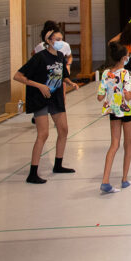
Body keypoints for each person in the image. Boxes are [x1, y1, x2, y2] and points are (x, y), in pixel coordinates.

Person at [14, 27, 79, 184]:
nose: (60, 42)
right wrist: (39, 86)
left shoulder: (61, 56)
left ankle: (58, 165)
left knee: (63, 129)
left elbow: (62, 75)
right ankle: (33, 173)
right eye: (56, 39)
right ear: (48, 41)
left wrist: (70, 83)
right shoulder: (40, 58)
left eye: (61, 39)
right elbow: (18, 76)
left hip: (55, 98)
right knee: (43, 134)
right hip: (40, 98)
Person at [97, 41, 131, 193]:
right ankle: (124, 179)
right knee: (127, 144)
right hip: (127, 112)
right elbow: (128, 96)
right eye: (128, 56)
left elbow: (100, 96)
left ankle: (105, 180)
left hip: (114, 112)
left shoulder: (105, 73)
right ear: (123, 58)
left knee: (114, 145)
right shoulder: (126, 74)